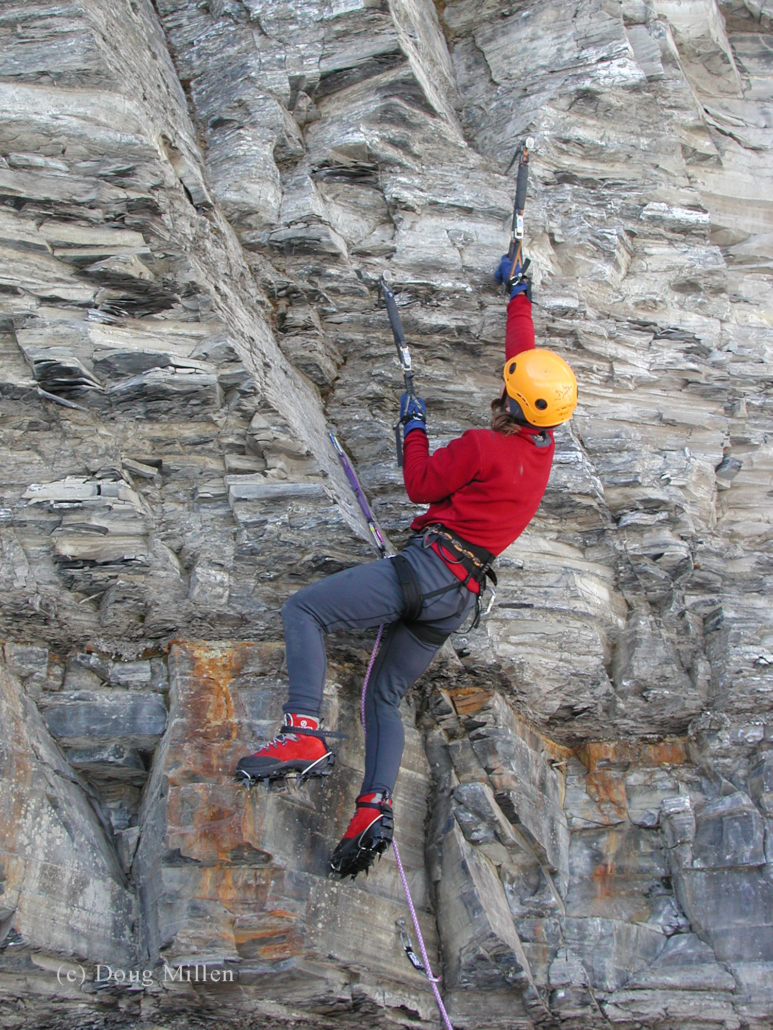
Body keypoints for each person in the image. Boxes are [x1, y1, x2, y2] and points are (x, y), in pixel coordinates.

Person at [236, 256, 577, 879]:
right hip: (459, 600)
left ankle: (303, 731)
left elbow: (420, 485)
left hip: (425, 572)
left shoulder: (481, 445)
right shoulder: (543, 446)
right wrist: (518, 296)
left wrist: (412, 427)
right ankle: (372, 807)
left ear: (512, 401)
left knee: (304, 609)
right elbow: (528, 361)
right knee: (383, 697)